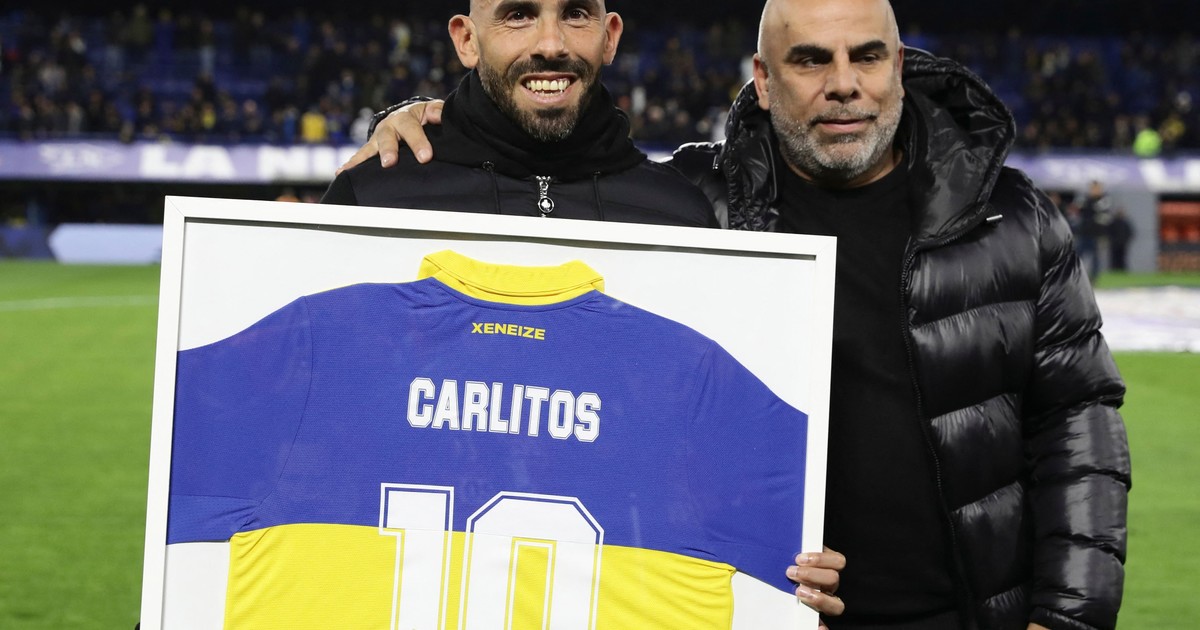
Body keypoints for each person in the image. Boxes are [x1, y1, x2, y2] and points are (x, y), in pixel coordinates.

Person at [348, 1, 1131, 628]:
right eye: (810, 60)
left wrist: (1066, 618)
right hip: (767, 608)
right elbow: (547, 178)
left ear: (899, 65)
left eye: (866, 56)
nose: (843, 84)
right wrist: (425, 121)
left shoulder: (1012, 219)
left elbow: (1080, 428)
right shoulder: (696, 208)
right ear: (763, 78)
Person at [321, 0, 717, 229]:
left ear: (609, 37)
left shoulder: (681, 214)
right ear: (467, 40)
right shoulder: (370, 198)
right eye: (518, 14)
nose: (551, 45)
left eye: (575, 13)